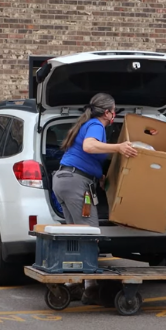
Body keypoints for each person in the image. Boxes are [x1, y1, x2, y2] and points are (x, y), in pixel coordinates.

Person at [52, 93, 137, 304]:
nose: (114, 115)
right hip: (75, 183)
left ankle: (73, 283)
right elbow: (89, 146)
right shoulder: (96, 126)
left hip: (64, 180)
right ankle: (90, 288)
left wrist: (99, 175)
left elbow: (85, 155)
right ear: (107, 113)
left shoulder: (87, 124)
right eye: (113, 110)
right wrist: (119, 147)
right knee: (90, 234)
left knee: (75, 234)